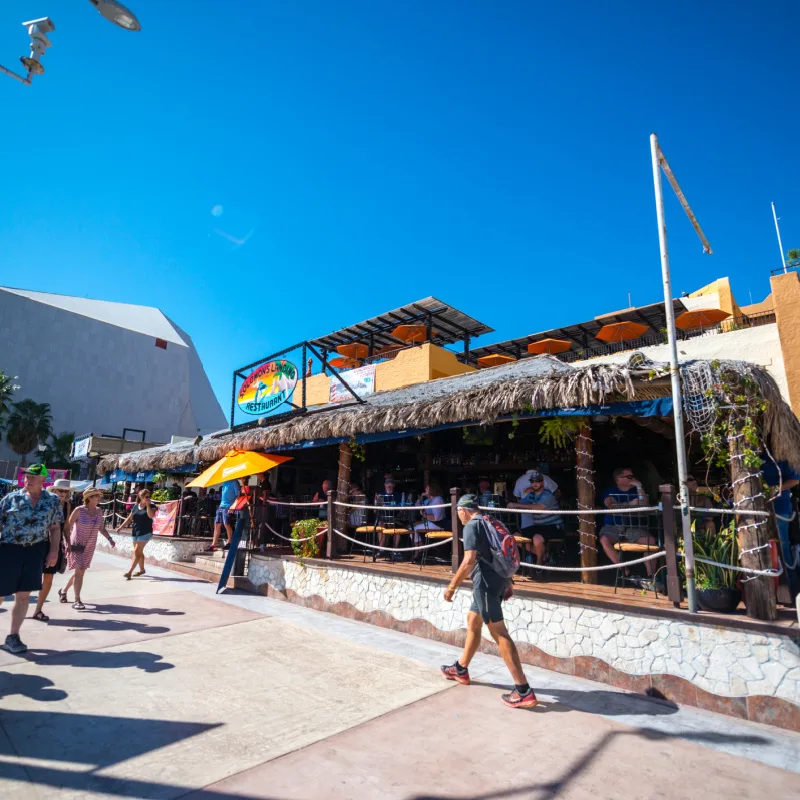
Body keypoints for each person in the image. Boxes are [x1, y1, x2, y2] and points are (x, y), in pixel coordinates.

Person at [441, 495, 537, 708]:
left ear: (464, 510)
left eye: (458, 513)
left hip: (485, 583)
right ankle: (461, 668)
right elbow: (501, 552)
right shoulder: (490, 520)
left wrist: (451, 587)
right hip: (498, 579)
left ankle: (523, 690)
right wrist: (508, 581)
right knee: (473, 621)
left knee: (499, 633)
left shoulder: (472, 526)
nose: (459, 518)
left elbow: (468, 561)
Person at [0, 465, 63, 653]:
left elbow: (54, 527)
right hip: (9, 550)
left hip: (35, 551)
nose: (28, 479)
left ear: (44, 479)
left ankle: (13, 636)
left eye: (33, 477)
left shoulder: (52, 501)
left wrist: (54, 551)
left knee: (24, 594)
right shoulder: (10, 499)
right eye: (26, 476)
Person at [60, 488, 115, 609]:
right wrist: (67, 543)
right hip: (77, 545)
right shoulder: (79, 510)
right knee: (79, 571)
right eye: (96, 496)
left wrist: (110, 539)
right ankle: (77, 600)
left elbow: (101, 528)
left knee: (80, 571)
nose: (98, 498)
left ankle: (63, 591)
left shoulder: (99, 511)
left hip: (90, 546)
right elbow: (68, 527)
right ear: (89, 498)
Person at [598, 467, 657, 577]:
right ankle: (625, 572)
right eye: (629, 477)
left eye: (633, 476)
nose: (633, 478)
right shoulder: (610, 491)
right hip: (613, 526)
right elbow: (611, 505)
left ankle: (651, 576)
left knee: (650, 541)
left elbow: (645, 505)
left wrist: (639, 486)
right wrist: (630, 504)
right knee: (604, 540)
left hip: (633, 527)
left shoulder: (636, 490)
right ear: (618, 479)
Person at [32, 479, 72, 622]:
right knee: (29, 576)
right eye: (60, 490)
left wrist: (68, 543)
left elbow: (66, 526)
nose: (63, 493)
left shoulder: (67, 506)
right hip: (39, 543)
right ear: (54, 490)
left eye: (66, 491)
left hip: (55, 545)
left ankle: (38, 609)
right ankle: (22, 605)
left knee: (48, 577)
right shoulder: (44, 503)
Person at [761, 456, 800, 592]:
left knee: (782, 545)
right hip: (758, 510)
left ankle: (789, 585)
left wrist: (774, 489)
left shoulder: (782, 458)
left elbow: (795, 479)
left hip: (780, 509)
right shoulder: (754, 457)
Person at [508, 471, 562, 567]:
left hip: (554, 526)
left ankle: (539, 564)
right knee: (515, 536)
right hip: (538, 526)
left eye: (537, 481)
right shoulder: (532, 494)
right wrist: (510, 504)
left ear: (542, 483)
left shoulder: (547, 495)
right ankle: (543, 556)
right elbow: (523, 503)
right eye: (532, 481)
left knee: (537, 538)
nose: (535, 483)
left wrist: (515, 504)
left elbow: (539, 507)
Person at [119, 488, 156, 579]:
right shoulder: (135, 506)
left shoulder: (152, 506)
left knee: (136, 551)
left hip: (145, 532)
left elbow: (151, 515)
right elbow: (129, 519)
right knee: (139, 552)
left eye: (149, 496)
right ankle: (142, 570)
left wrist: (148, 506)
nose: (148, 498)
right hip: (136, 531)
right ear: (141, 497)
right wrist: (121, 527)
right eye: (146, 496)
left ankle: (129, 572)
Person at [375, 475, 404, 557]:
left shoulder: (398, 495)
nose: (389, 485)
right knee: (380, 524)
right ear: (385, 485)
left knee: (397, 528)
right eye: (387, 483)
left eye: (391, 483)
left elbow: (402, 510)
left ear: (394, 485)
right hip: (383, 519)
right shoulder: (380, 495)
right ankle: (381, 550)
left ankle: (394, 551)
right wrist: (378, 504)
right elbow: (374, 510)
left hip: (395, 519)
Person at [209, 479, 240, 551]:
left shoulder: (234, 482)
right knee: (217, 524)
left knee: (227, 524)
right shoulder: (225, 482)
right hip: (221, 505)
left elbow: (238, 495)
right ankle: (213, 544)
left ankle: (229, 542)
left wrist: (233, 506)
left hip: (228, 506)